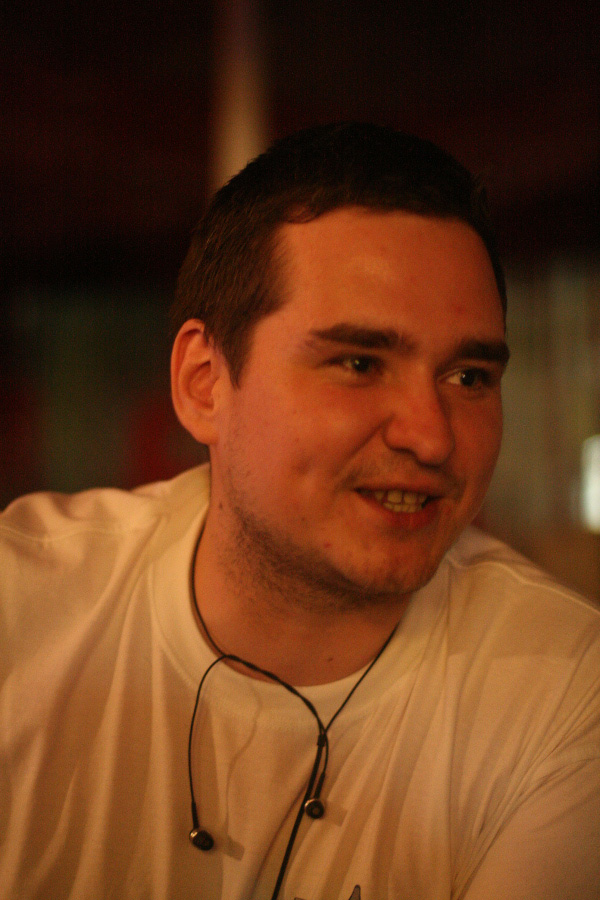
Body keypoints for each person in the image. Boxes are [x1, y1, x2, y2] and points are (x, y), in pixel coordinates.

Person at [1, 123, 598, 900]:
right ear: (205, 384)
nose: (431, 436)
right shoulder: (22, 606)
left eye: (469, 377)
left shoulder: (564, 688)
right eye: (358, 362)